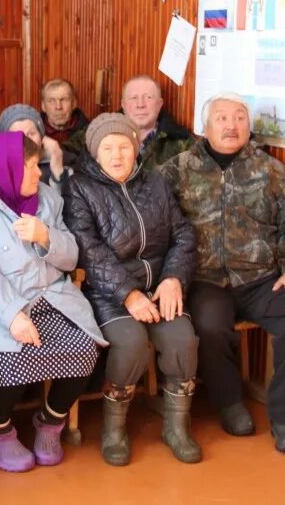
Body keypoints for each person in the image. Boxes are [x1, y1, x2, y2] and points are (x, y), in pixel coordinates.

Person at [159, 91, 285, 454]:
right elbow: (155, 223)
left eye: (239, 118)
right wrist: (169, 274)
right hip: (205, 279)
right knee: (211, 326)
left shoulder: (271, 170)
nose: (231, 126)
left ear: (249, 126)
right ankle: (229, 403)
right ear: (205, 127)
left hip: (262, 278)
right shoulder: (177, 169)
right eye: (222, 118)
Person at [0, 131, 107, 473]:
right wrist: (12, 316)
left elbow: (70, 259)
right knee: (14, 356)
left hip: (51, 295)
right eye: (29, 166)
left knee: (85, 349)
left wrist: (46, 236)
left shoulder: (48, 199)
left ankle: (50, 422)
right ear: (6, 169)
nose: (39, 173)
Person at [62, 113, 201, 467]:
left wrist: (173, 279)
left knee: (182, 340)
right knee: (132, 343)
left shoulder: (154, 181)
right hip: (108, 292)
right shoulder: (80, 187)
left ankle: (176, 427)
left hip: (160, 286)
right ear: (95, 153)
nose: (117, 155)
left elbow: (183, 233)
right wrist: (128, 294)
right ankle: (114, 429)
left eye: (124, 146)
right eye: (108, 148)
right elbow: (88, 250)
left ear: (136, 149)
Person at [66, 75, 195, 171]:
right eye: (133, 98)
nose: (140, 105)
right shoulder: (99, 132)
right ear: (123, 104)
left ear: (159, 104)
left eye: (148, 97)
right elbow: (63, 154)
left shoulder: (182, 144)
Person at [0, 104, 75, 193]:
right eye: (16, 135)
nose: (26, 140)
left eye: (31, 133)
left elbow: (71, 203)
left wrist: (58, 171)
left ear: (41, 137)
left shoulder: (68, 161)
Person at [40, 78, 90, 150]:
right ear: (43, 106)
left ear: (73, 103)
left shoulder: (89, 133)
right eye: (51, 101)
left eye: (64, 100)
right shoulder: (33, 134)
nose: (58, 107)